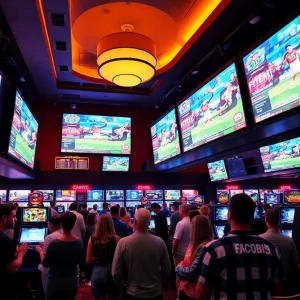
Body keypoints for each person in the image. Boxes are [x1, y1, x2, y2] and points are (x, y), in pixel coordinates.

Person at [176, 194, 284, 299]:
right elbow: (277, 289)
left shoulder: (213, 249)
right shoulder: (271, 249)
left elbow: (201, 294)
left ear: (229, 214)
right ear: (253, 215)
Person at [112, 208, 171, 299]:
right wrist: (159, 283)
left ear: (134, 221)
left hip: (132, 292)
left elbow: (115, 272)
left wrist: (122, 287)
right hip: (155, 292)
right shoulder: (160, 242)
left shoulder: (123, 242)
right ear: (149, 223)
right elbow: (167, 269)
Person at [42, 212, 84, 300]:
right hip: (72, 281)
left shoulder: (54, 243)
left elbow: (45, 264)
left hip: (55, 282)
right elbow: (81, 262)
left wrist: (39, 251)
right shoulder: (79, 241)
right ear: (73, 224)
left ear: (61, 224)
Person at [178, 215, 214, 300]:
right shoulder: (192, 245)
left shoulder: (205, 247)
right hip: (186, 289)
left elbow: (193, 273)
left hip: (196, 294)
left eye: (192, 226)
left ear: (196, 229)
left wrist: (178, 269)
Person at [86, 214, 120, 300]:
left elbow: (88, 260)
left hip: (97, 272)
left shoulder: (92, 239)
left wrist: (97, 257)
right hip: (112, 272)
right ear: (111, 223)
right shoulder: (117, 239)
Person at [259, 209, 299, 276]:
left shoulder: (259, 239)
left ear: (265, 220)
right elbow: (296, 264)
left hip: (264, 281)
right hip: (284, 280)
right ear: (279, 220)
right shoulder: (289, 240)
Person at [0, 204, 28, 299]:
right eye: (13, 216)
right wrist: (21, 254)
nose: (16, 219)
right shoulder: (4, 240)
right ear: (4, 218)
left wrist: (13, 253)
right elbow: (13, 268)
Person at [36, 216, 62, 293]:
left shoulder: (49, 237)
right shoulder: (63, 234)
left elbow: (44, 261)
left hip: (50, 271)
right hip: (62, 271)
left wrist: (40, 250)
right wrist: (44, 247)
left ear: (51, 224)